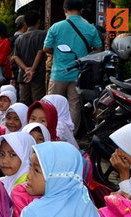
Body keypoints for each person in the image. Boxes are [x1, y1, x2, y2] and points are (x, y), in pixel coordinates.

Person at [43, 0, 103, 133]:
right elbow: (99, 49)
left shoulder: (56, 27)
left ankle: (50, 132)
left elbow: (46, 48)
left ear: (65, 9)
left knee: (52, 103)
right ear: (81, 10)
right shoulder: (90, 27)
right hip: (79, 74)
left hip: (59, 72)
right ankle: (71, 134)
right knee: (74, 105)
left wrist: (58, 52)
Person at [14, 10, 47, 106]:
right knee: (37, 103)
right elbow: (40, 52)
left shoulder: (19, 38)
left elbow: (15, 56)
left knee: (23, 102)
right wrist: (32, 70)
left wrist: (25, 69)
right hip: (37, 75)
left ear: (25, 23)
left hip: (23, 76)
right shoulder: (42, 34)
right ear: (38, 21)